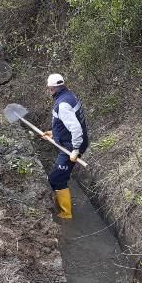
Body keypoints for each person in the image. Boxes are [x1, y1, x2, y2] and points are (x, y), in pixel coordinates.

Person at [43, 73, 89, 219]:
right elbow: (67, 122)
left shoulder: (62, 104)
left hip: (71, 146)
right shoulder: (69, 95)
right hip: (71, 142)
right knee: (59, 176)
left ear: (53, 88)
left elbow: (75, 128)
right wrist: (54, 134)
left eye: (49, 88)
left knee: (56, 178)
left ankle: (66, 213)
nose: (49, 91)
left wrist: (75, 150)